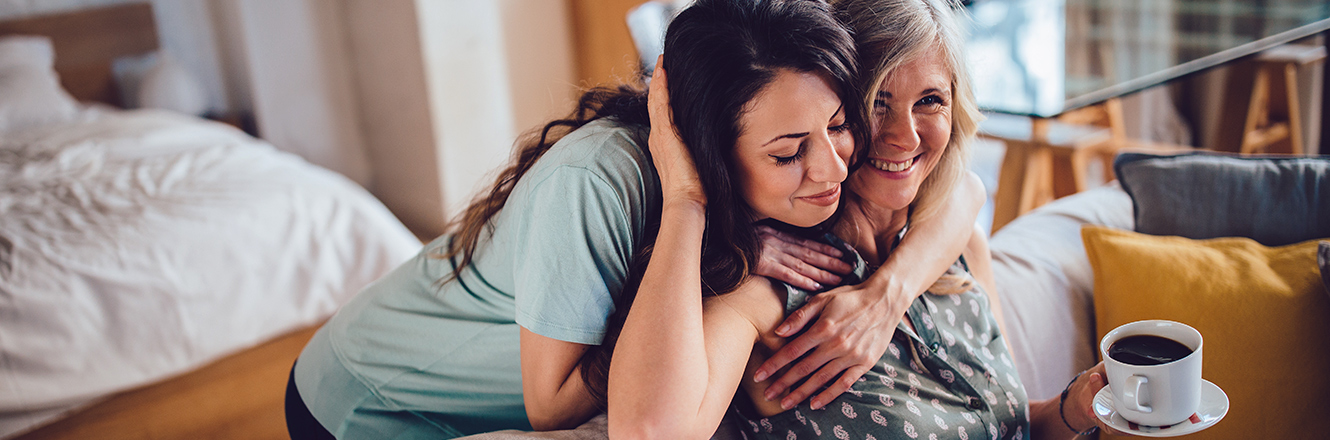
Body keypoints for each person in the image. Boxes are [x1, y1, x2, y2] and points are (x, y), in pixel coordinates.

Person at [284, 0, 982, 438]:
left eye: (837, 125)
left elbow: (963, 197)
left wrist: (887, 297)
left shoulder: (792, 184)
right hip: (368, 400)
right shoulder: (603, 182)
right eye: (790, 151)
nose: (832, 168)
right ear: (710, 146)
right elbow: (550, 406)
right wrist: (702, 229)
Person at [605, 0, 1117, 439]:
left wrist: (1075, 408)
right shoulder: (775, 287)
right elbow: (651, 430)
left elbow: (1010, 424)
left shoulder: (957, 248)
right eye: (876, 103)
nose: (907, 137)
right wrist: (687, 199)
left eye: (931, 101)